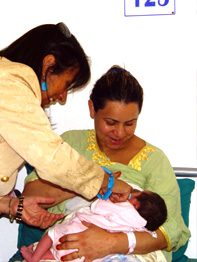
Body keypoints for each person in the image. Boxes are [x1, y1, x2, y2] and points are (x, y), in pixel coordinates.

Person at [14, 65, 190, 262]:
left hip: (131, 249)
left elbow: (170, 230)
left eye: (130, 123)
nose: (120, 133)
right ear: (92, 109)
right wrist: (94, 183)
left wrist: (112, 242)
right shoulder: (72, 143)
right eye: (111, 122)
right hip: (71, 239)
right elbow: (30, 198)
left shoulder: (155, 160)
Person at [0, 24, 131, 228]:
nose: (62, 97)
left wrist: (11, 205)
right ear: (48, 64)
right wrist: (106, 182)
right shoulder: (10, 83)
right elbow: (50, 157)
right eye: (67, 84)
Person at [20, 189, 167, 262]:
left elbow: (98, 207)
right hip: (89, 257)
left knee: (53, 233)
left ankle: (35, 258)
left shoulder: (125, 207)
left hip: (79, 231)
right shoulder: (141, 225)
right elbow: (150, 235)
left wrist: (106, 197)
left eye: (134, 194)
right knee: (61, 253)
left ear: (136, 204)